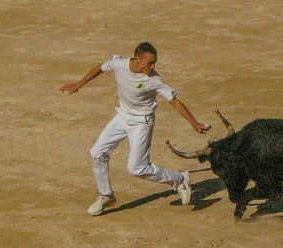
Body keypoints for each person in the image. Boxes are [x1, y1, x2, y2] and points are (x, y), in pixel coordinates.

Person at [60, 42, 211, 216]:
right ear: (137, 59)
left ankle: (179, 180)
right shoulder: (119, 65)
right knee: (97, 153)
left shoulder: (154, 79)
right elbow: (101, 67)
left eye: (155, 62)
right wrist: (78, 85)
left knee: (137, 168)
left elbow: (174, 101)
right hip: (123, 116)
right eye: (150, 63)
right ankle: (106, 195)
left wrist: (194, 123)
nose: (153, 66)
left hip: (142, 122)